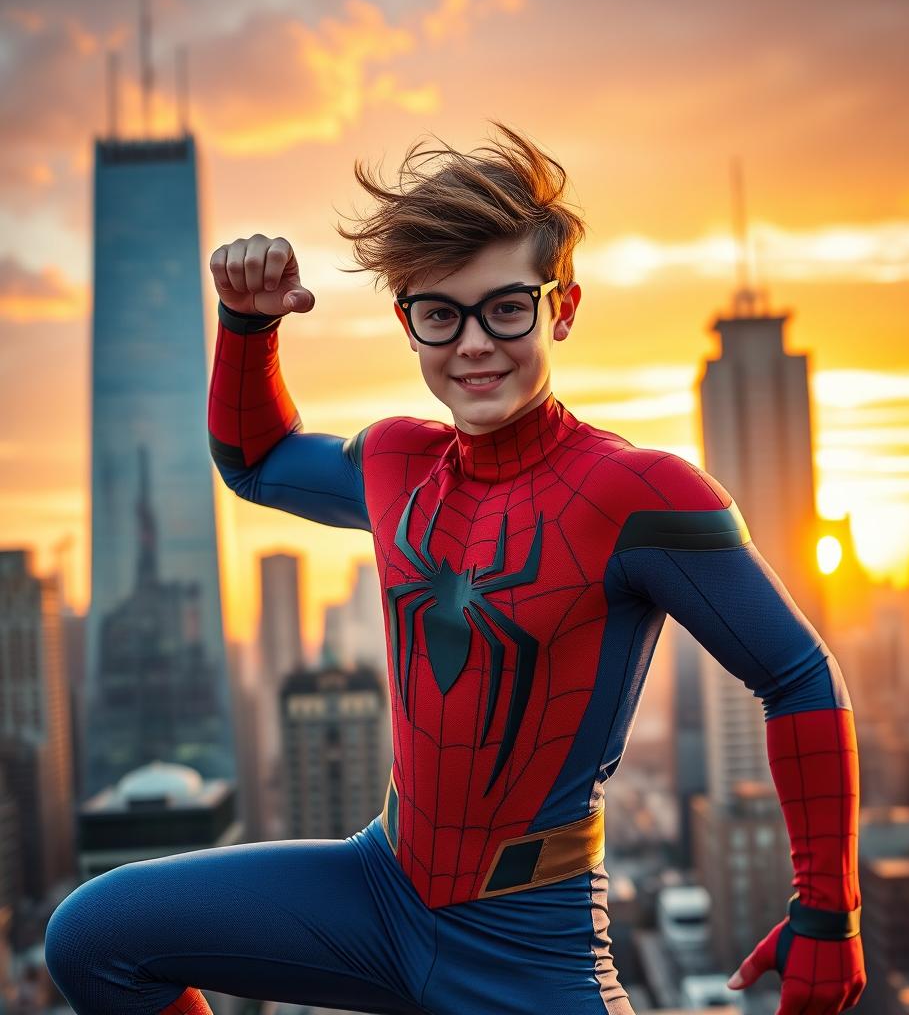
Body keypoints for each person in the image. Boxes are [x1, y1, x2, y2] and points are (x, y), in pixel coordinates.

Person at [45, 122, 866, 1015]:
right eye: (440, 314)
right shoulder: (396, 460)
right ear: (408, 323)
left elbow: (797, 674)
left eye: (505, 307)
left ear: (563, 306)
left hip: (533, 945)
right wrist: (248, 324)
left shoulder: (641, 495)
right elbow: (255, 459)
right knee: (94, 940)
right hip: (378, 889)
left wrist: (830, 913)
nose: (473, 342)